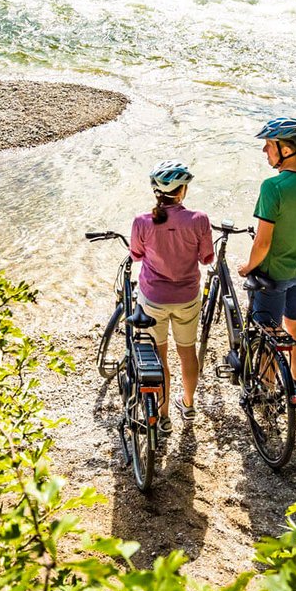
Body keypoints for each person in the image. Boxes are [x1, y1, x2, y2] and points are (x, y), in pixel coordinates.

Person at [238, 116, 296, 404]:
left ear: (285, 149)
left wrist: (247, 267)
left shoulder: (272, 187)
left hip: (274, 275)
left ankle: (267, 391)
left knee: (267, 333)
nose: (265, 151)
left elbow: (263, 243)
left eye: (268, 145)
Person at [129, 160, 213, 420]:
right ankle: (188, 406)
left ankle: (162, 414)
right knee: (187, 351)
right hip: (187, 298)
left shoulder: (142, 222)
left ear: (156, 192)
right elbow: (207, 258)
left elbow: (136, 255)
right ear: (182, 191)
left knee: (159, 354)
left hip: (154, 298)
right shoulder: (199, 220)